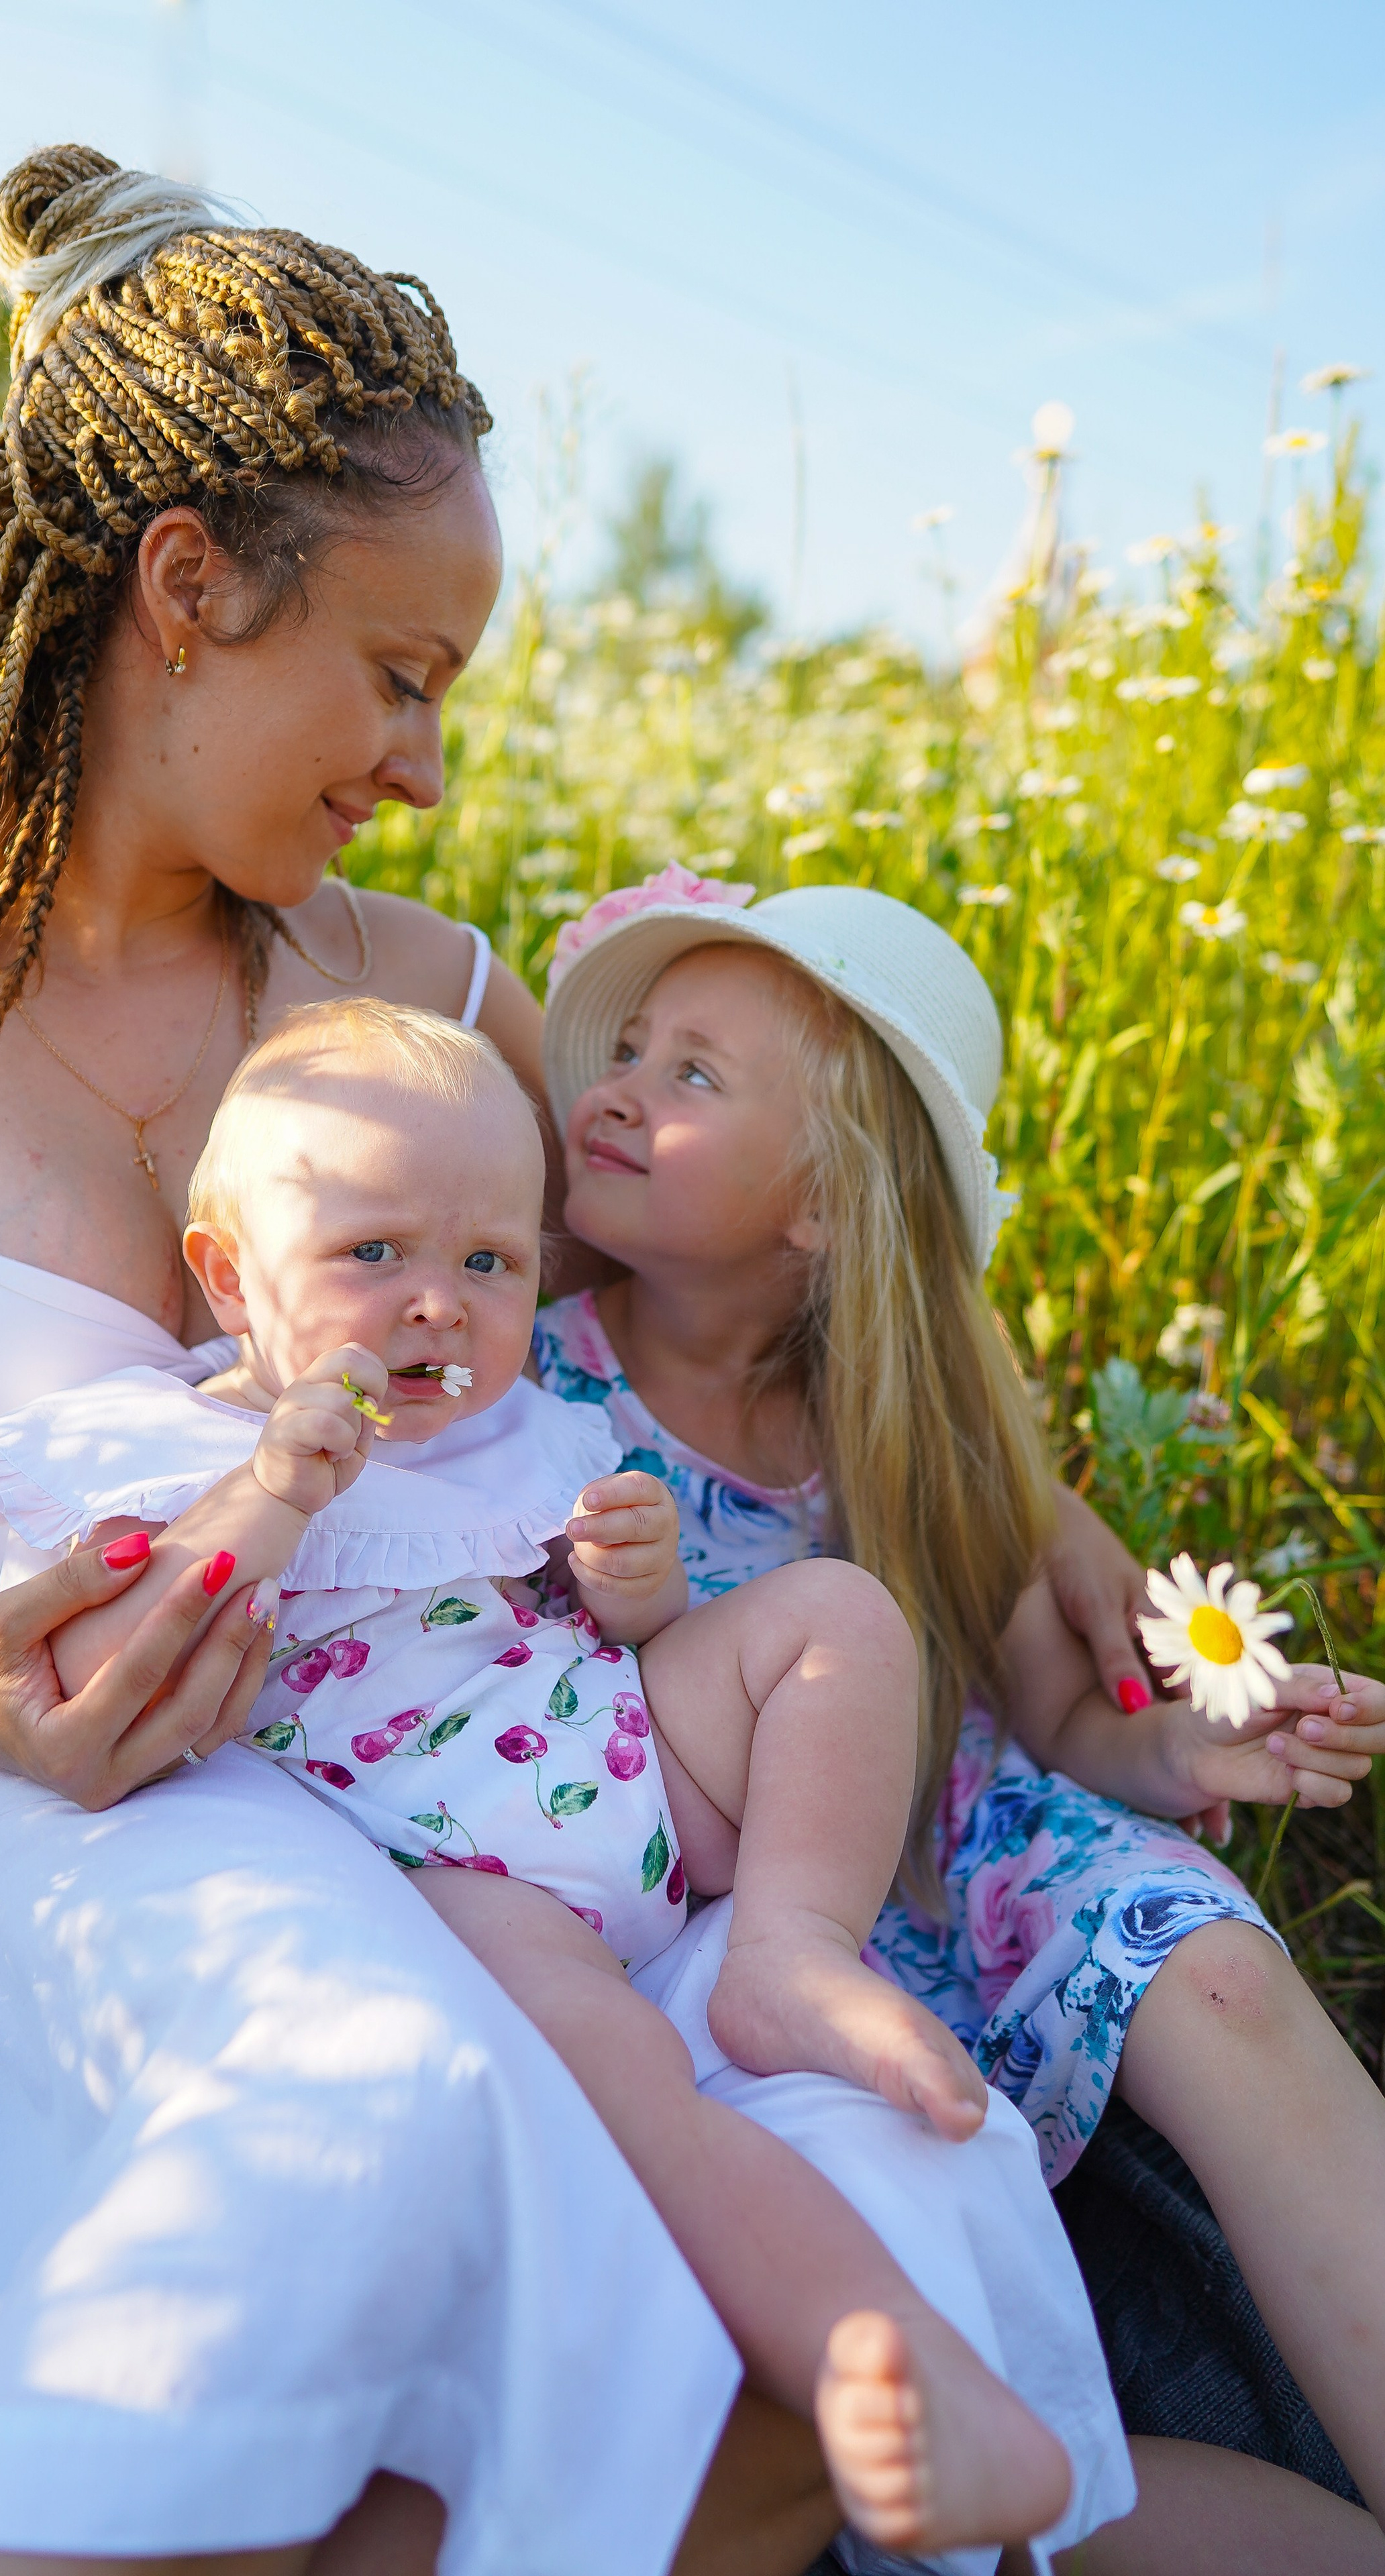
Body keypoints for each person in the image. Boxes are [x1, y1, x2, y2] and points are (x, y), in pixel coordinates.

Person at [0, 147, 1135, 2576]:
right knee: (337, 2089)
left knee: (865, 2146)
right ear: (185, 595)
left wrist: (1034, 1500)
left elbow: (742, 1279)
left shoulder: (437, 997)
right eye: (403, 675)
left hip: (446, 1776)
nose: (432, 766)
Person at [0, 992, 1088, 2563]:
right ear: (227, 1279)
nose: (436, 1310)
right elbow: (131, 1656)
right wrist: (268, 1499)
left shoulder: (532, 1426)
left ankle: (790, 1951)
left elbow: (604, 1624)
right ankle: (882, 2364)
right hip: (462, 1867)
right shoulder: (176, 1446)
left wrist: (643, 1589)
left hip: (624, 1753)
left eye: (488, 1265)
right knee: (638, 2095)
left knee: (832, 1620)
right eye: (371, 1257)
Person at [531, 865, 1385, 2576]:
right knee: (909, 2310)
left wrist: (1179, 1752)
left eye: (694, 1074)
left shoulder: (895, 1420)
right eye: (623, 1050)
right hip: (717, 1908)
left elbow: (1060, 1709)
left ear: (828, 1208)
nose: (618, 1089)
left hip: (956, 1843)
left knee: (1208, 1965)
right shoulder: (522, 1377)